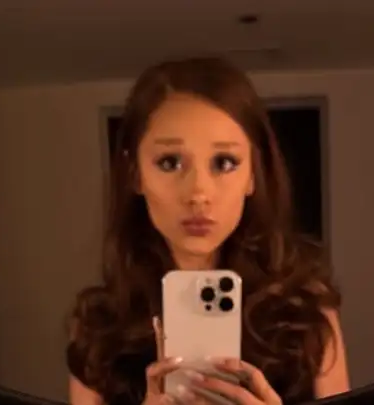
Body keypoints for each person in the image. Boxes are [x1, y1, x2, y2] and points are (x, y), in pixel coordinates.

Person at [66, 57, 350, 405]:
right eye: (170, 162)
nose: (199, 193)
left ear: (252, 175)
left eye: (224, 162)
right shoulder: (98, 327)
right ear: (135, 174)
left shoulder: (306, 313)